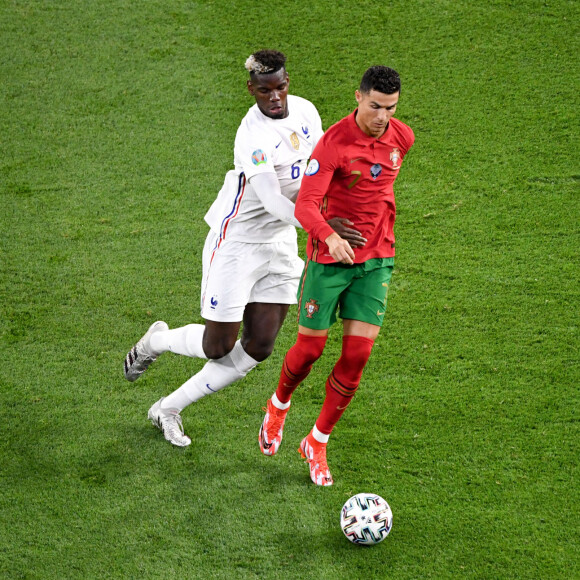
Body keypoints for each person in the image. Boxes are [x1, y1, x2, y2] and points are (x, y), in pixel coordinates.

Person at [124, 50, 364, 447]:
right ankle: (157, 340)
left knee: (258, 347)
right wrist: (321, 225)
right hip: (238, 240)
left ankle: (167, 408)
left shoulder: (305, 112)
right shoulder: (250, 135)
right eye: (265, 90)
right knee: (216, 346)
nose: (275, 97)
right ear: (250, 88)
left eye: (281, 87)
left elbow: (323, 169)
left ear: (289, 82)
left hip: (281, 240)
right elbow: (270, 199)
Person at [258, 65, 415, 486]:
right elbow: (306, 205)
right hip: (329, 261)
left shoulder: (403, 137)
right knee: (309, 351)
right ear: (359, 97)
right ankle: (278, 405)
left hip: (376, 260)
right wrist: (329, 236)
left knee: (357, 356)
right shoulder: (333, 145)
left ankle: (317, 441)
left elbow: (380, 190)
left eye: (391, 108)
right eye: (376, 106)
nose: (383, 117)